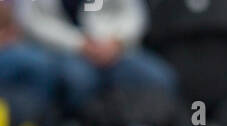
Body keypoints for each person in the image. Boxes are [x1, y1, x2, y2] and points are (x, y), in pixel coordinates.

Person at [19, 0, 178, 114]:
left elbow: (136, 16)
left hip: (115, 48)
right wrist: (79, 43)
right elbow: (32, 21)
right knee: (80, 80)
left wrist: (117, 42)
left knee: (160, 79)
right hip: (63, 51)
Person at [0, 0, 59, 110]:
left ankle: (35, 118)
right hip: (8, 48)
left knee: (44, 63)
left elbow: (13, 23)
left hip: (14, 42)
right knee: (38, 64)